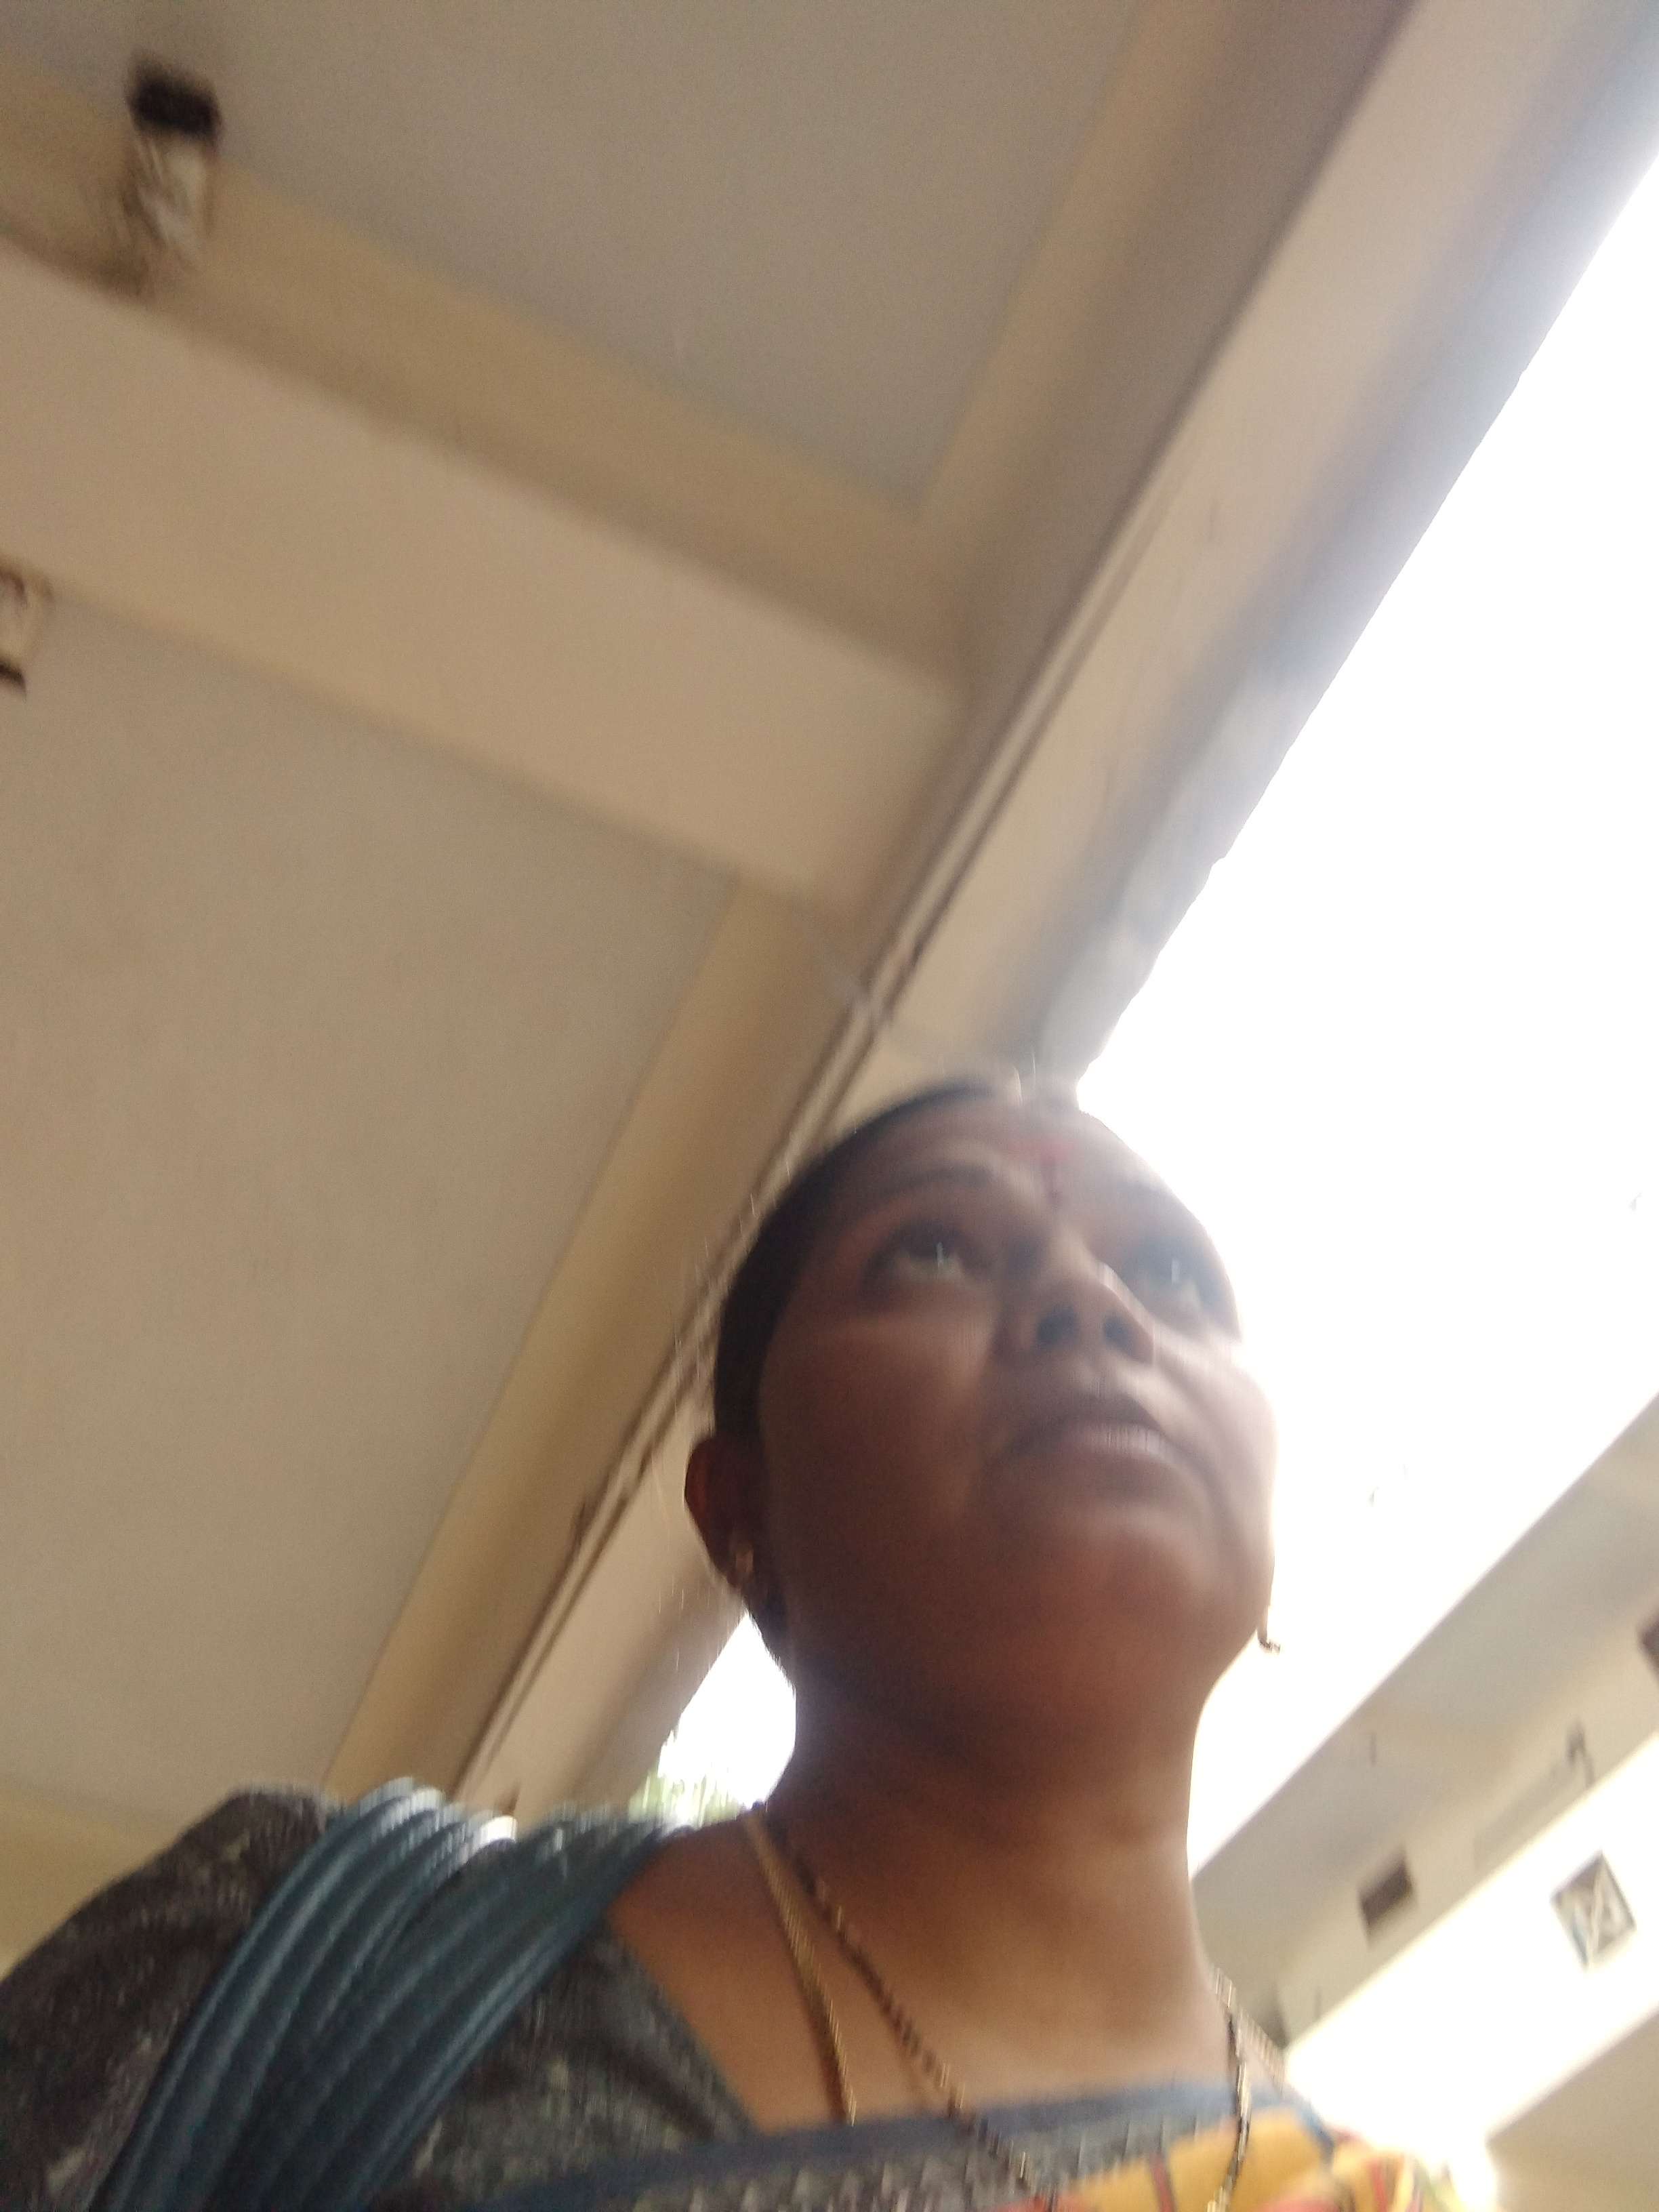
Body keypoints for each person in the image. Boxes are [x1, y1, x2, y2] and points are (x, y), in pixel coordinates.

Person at [0, 1080, 1461, 2211]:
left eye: (1174, 1274)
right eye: (932, 1250)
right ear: (738, 1511)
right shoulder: (312, 1951)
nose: (1094, 1301)